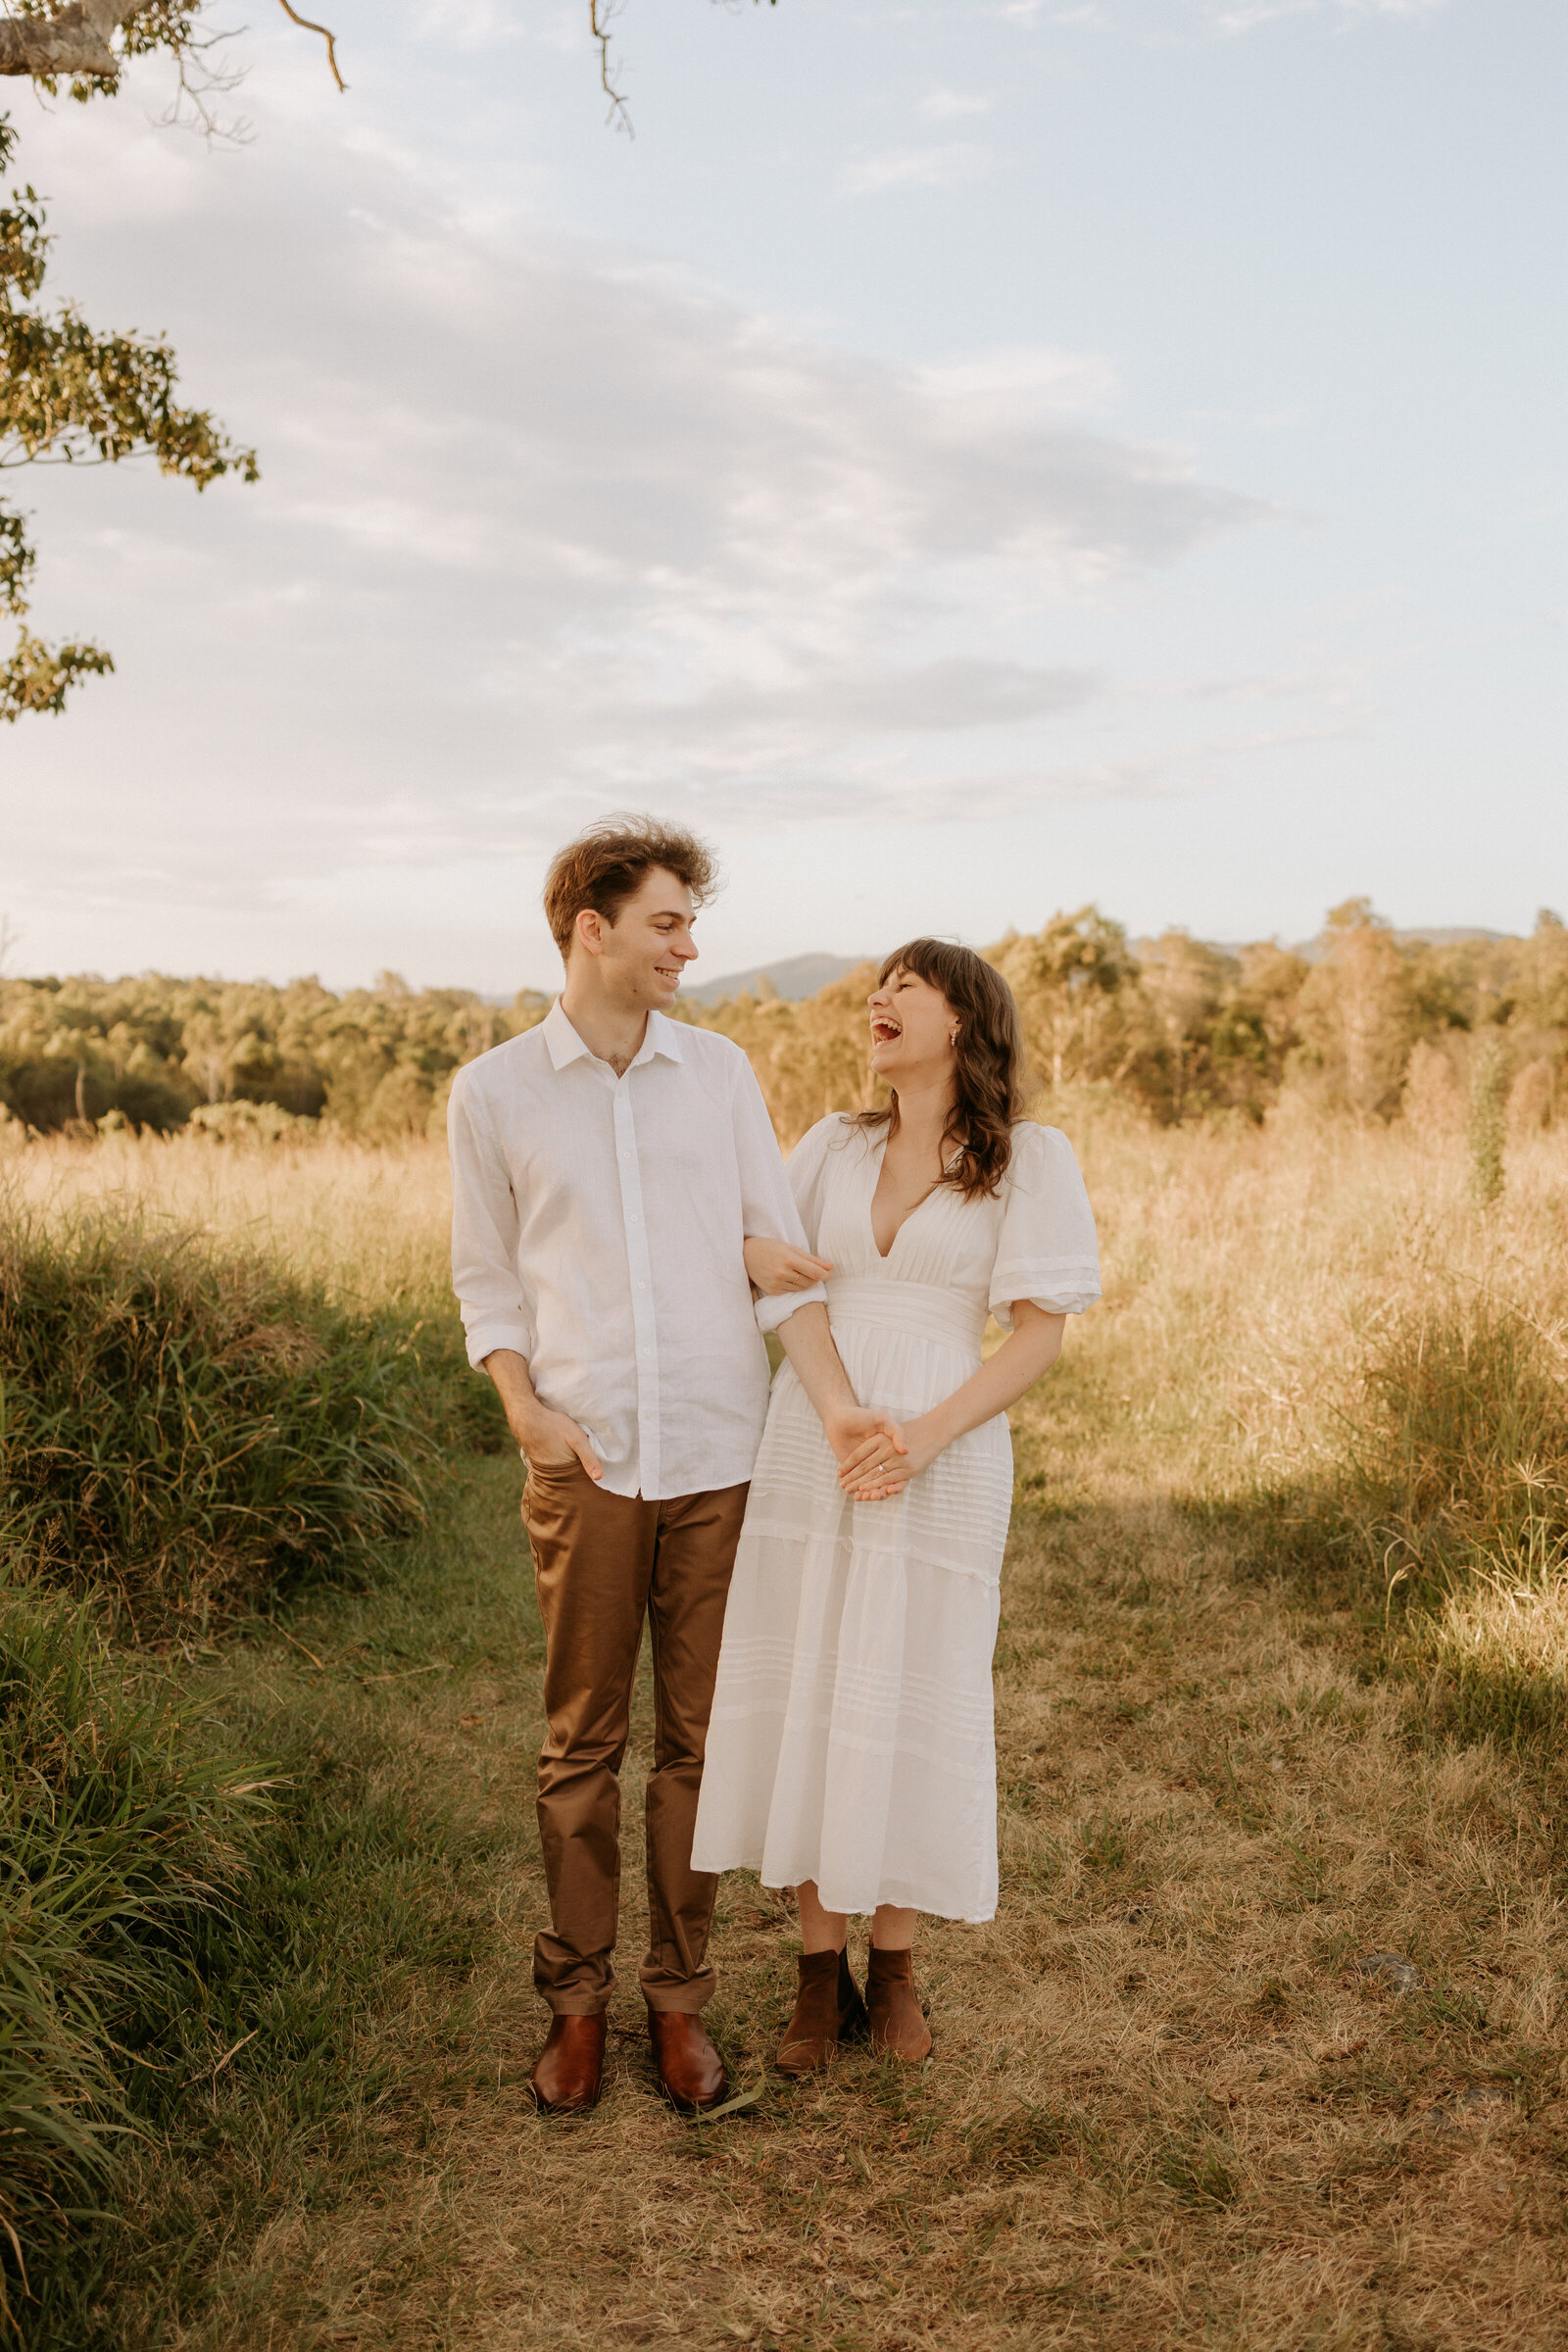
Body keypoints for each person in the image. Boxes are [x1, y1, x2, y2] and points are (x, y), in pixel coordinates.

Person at [446, 815, 903, 2118]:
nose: (688, 949)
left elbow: (768, 1250)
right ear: (591, 928)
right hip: (585, 1457)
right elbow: (488, 1287)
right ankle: (576, 2009)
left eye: (691, 925)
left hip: (717, 1451)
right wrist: (527, 1413)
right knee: (582, 1745)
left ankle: (679, 2002)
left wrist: (822, 1368)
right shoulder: (494, 1093)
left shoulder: (721, 1075)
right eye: (666, 924)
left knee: (699, 1744)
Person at [692, 939, 1101, 2071]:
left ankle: (897, 1965)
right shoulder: (828, 1146)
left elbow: (1039, 1335)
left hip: (945, 1444)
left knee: (914, 1679)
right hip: (815, 1434)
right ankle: (816, 1975)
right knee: (816, 1674)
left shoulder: (1025, 1159)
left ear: (962, 1019)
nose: (874, 1001)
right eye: (872, 988)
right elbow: (777, 1286)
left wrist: (922, 1435)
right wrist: (835, 1412)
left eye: (902, 989)